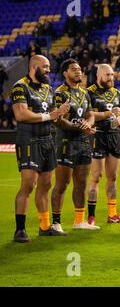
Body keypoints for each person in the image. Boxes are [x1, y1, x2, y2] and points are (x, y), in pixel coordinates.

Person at [11, 55, 70, 242]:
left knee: (46, 184)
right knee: (28, 184)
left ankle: (45, 226)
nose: (48, 70)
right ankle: (20, 229)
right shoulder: (20, 86)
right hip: (29, 139)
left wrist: (61, 115)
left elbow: (53, 115)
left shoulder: (48, 89)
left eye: (49, 67)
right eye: (45, 67)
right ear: (34, 66)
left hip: (47, 139)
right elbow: (21, 114)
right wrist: (49, 116)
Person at [50, 59, 98, 232]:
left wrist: (88, 124)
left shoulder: (85, 93)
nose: (79, 72)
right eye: (74, 70)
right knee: (62, 184)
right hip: (66, 142)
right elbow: (58, 121)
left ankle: (79, 221)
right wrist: (80, 127)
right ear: (65, 73)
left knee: (81, 184)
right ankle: (56, 223)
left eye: (79, 69)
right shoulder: (59, 93)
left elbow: (91, 114)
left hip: (83, 142)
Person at [87, 64, 120, 225]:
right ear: (99, 76)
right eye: (107, 75)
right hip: (97, 135)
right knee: (96, 177)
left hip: (114, 136)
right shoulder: (89, 92)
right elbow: (88, 115)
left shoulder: (116, 93)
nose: (111, 78)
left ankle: (112, 214)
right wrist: (109, 114)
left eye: (112, 75)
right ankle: (91, 217)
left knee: (113, 177)